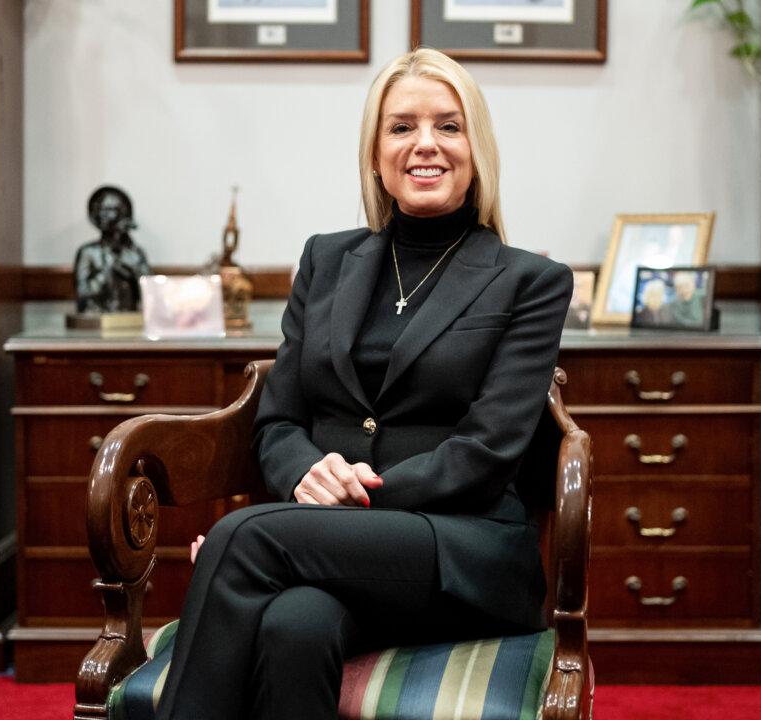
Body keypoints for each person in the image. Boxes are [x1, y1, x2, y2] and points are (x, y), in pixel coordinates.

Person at [153, 48, 572, 720]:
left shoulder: (530, 282)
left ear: (477, 148)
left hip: (459, 550)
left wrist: (339, 504)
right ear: (376, 155)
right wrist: (302, 483)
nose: (425, 145)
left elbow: (488, 453)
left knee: (242, 537)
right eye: (401, 127)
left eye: (449, 126)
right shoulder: (326, 260)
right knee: (297, 624)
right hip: (333, 552)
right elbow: (278, 421)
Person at [72, 185, 151, 313]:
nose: (103, 214)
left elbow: (149, 294)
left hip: (128, 319)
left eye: (110, 209)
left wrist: (133, 268)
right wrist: (108, 268)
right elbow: (83, 294)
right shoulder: (88, 253)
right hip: (96, 320)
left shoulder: (135, 254)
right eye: (100, 209)